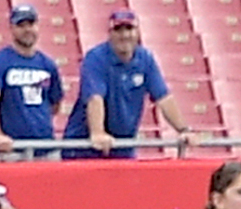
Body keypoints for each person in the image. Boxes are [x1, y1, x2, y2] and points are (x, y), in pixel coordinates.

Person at [69, 9, 191, 158]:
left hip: (123, 146)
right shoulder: (95, 58)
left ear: (137, 32)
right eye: (118, 30)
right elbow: (95, 98)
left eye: (129, 29)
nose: (125, 35)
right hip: (85, 148)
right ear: (110, 34)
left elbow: (163, 98)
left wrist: (183, 130)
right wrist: (98, 133)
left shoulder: (146, 59)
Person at [0, 5, 68, 158]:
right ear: (12, 28)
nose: (27, 30)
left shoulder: (47, 64)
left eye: (31, 24)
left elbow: (55, 103)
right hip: (14, 149)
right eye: (21, 25)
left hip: (46, 147)